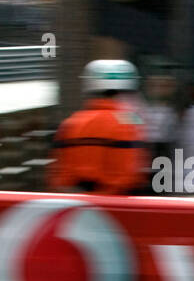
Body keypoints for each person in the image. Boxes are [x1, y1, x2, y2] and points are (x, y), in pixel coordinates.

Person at [48, 60, 150, 196]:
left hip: (77, 202)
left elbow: (59, 175)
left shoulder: (72, 123)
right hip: (116, 202)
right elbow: (132, 173)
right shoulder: (129, 121)